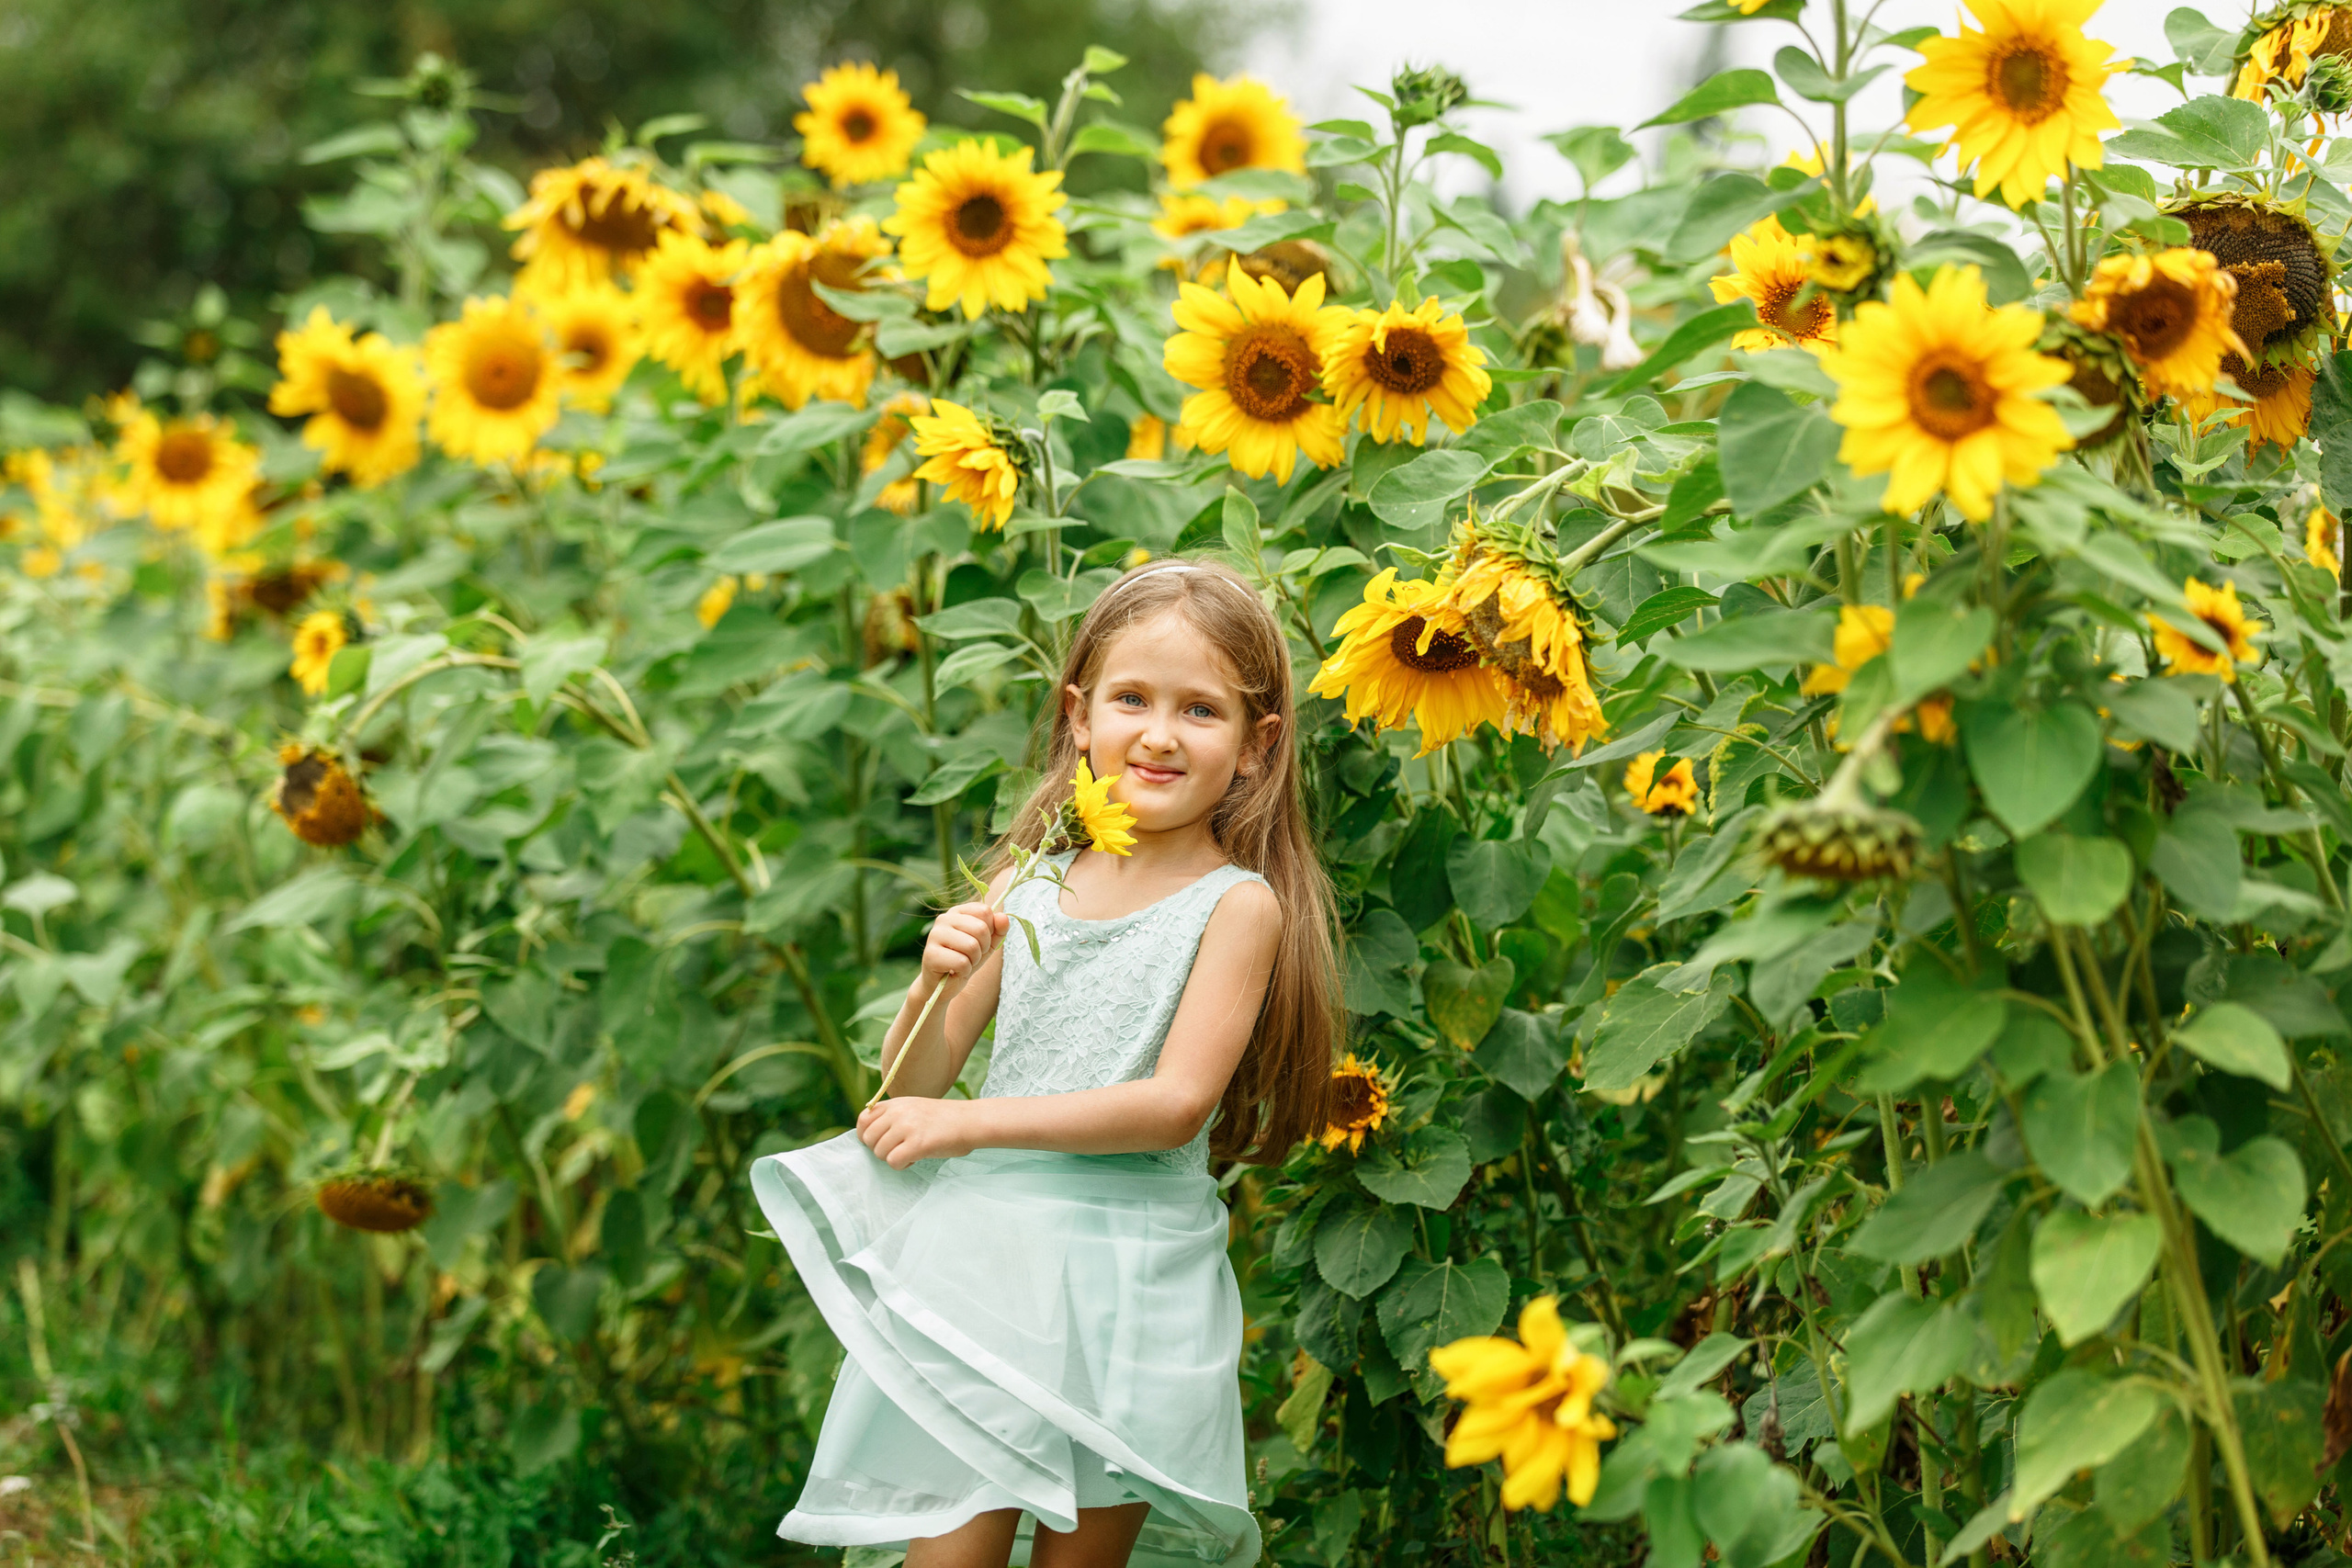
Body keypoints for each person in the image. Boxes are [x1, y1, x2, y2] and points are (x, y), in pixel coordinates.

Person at [749, 558, 1340, 1568]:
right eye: (1131, 700)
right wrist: (931, 982)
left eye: (1200, 710)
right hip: (991, 1263)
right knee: (952, 1550)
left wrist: (972, 1125)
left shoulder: (1236, 906)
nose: (1158, 734)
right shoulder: (1027, 884)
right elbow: (914, 1087)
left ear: (1255, 747)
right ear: (1079, 716)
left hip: (1133, 1278)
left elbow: (1172, 1106)